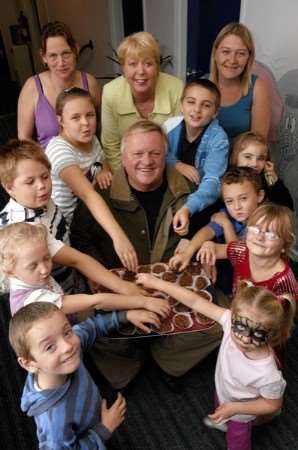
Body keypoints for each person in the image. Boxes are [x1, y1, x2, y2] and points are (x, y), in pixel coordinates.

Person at [71, 119, 224, 390]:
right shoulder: (102, 193)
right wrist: (104, 277)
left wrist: (201, 246)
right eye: (137, 154)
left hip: (175, 286)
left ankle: (169, 359)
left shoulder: (188, 190)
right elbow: (81, 242)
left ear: (165, 154)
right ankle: (129, 364)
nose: (147, 161)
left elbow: (208, 227)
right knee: (81, 322)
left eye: (154, 153)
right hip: (121, 288)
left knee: (227, 318)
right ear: (123, 157)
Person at [136, 275, 295, 450]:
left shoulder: (268, 374)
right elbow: (195, 301)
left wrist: (235, 409)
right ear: (233, 315)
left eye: (257, 333)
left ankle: (252, 421)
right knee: (222, 408)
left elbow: (272, 404)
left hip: (241, 412)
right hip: (224, 389)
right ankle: (228, 416)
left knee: (237, 440)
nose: (244, 338)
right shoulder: (228, 320)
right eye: (240, 327)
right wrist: (158, 283)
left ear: (271, 334)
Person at [0, 140, 148, 300]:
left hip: (63, 275)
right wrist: (125, 288)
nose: (41, 186)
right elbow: (78, 260)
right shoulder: (27, 229)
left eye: (44, 177)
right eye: (30, 182)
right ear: (8, 187)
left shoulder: (37, 201)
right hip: (44, 295)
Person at [9, 302, 157, 449]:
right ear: (29, 364)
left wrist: (125, 316)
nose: (68, 346)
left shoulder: (67, 353)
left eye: (67, 332)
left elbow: (91, 327)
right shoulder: (55, 423)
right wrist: (105, 429)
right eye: (49, 347)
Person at [0, 222, 169, 325]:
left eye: (47, 258)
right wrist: (144, 302)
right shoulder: (34, 299)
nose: (45, 269)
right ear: (10, 271)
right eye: (33, 266)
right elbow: (95, 301)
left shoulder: (29, 276)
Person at [101, 31, 183, 171]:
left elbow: (178, 143)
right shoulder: (110, 92)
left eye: (148, 64)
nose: (141, 71)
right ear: (123, 68)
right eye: (132, 64)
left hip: (167, 168)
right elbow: (111, 146)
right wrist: (128, 177)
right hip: (125, 169)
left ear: (157, 67)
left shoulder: (176, 88)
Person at [17, 21, 101, 149]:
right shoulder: (32, 87)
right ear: (43, 57)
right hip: (49, 165)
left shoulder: (90, 83)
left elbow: (99, 126)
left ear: (76, 50)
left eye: (65, 53)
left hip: (88, 160)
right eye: (53, 56)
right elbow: (24, 138)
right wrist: (48, 161)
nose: (61, 63)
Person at [163, 79, 229, 236]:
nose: (197, 110)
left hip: (202, 198)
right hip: (171, 190)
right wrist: (178, 165)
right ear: (181, 105)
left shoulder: (219, 139)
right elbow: (157, 154)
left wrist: (188, 207)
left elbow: (212, 182)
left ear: (215, 112)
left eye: (206, 105)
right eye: (191, 102)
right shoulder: (169, 126)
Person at [169, 167, 264, 272]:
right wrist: (187, 253)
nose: (237, 207)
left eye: (243, 198)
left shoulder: (265, 222)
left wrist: (226, 225)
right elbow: (207, 231)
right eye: (229, 201)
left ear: (260, 196)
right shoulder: (228, 214)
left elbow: (238, 256)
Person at [198, 203, 298, 301]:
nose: (259, 237)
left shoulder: (285, 280)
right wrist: (208, 247)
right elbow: (215, 248)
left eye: (271, 235)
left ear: (284, 246)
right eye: (255, 229)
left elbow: (286, 313)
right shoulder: (242, 250)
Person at [46, 87, 114, 225]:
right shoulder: (59, 149)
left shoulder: (92, 139)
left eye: (90, 115)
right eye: (75, 117)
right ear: (61, 120)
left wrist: (104, 171)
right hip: (67, 225)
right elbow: (87, 195)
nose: (85, 123)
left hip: (90, 217)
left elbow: (103, 162)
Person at [209, 22, 270, 141]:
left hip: (244, 158)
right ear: (215, 54)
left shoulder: (258, 87)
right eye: (226, 52)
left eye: (241, 54)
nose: (232, 60)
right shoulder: (201, 86)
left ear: (249, 58)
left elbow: (258, 144)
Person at [230, 131, 294, 209]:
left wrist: (273, 181)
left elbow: (287, 207)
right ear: (235, 158)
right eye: (248, 157)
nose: (254, 164)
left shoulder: (266, 182)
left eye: (260, 158)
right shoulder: (228, 180)